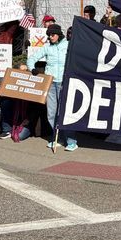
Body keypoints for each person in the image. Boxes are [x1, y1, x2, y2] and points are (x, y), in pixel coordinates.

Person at [28, 23, 76, 152]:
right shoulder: (47, 47)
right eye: (49, 35)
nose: (50, 37)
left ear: (59, 34)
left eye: (53, 35)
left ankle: (71, 141)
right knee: (51, 113)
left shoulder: (67, 45)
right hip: (50, 83)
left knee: (64, 113)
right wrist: (32, 69)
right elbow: (32, 58)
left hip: (64, 82)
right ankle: (57, 138)